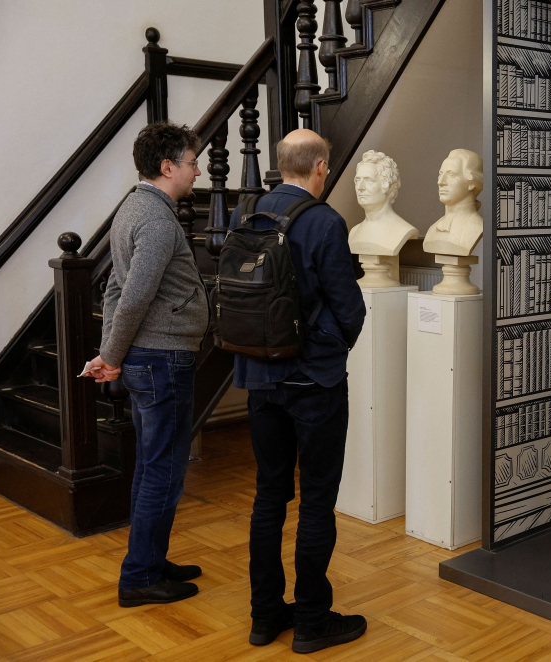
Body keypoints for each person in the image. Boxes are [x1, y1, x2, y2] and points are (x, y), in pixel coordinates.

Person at [229, 129, 367, 653]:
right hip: (314, 382)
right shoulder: (324, 222)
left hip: (259, 378)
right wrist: (332, 350)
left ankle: (264, 617)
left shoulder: (250, 216)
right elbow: (348, 306)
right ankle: (311, 620)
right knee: (316, 501)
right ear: (319, 169)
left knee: (269, 496)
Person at [87, 122, 209, 607]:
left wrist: (108, 353)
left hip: (147, 358)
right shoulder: (156, 219)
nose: (197, 172)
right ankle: (139, 577)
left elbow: (115, 290)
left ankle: (150, 559)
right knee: (164, 470)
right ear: (167, 167)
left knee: (150, 467)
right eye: (192, 163)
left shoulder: (132, 208)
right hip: (162, 359)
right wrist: (111, 357)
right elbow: (133, 295)